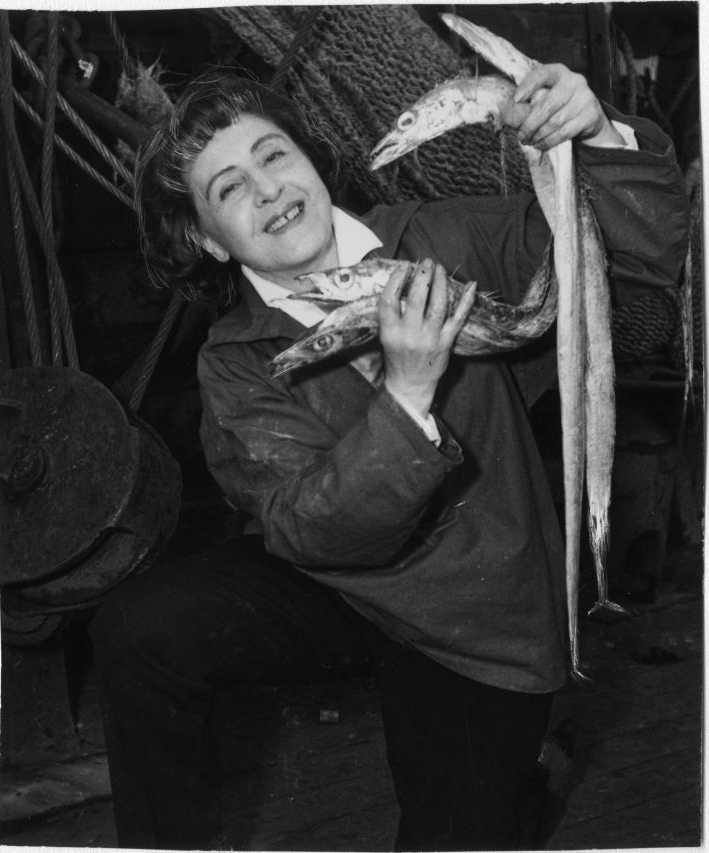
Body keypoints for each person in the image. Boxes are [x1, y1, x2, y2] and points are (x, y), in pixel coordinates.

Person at [90, 58, 688, 851]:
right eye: (228, 188)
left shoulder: (445, 238)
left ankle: (523, 788)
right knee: (139, 629)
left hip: (474, 615)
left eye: (273, 155)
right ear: (208, 239)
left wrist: (599, 133)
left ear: (310, 162)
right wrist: (407, 394)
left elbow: (643, 251)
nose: (267, 190)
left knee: (460, 831)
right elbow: (308, 529)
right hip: (341, 581)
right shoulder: (234, 361)